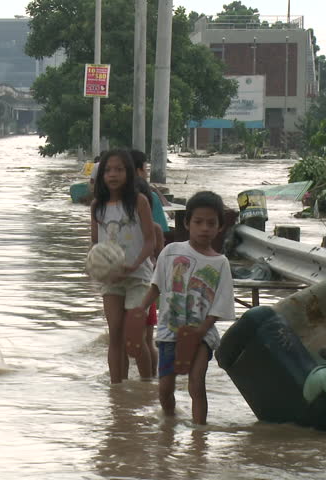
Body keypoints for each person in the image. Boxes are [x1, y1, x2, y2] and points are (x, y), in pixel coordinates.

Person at [136, 191, 235, 425]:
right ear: (186, 223)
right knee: (164, 388)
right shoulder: (171, 252)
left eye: (211, 223)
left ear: (220, 227)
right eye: (198, 222)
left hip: (203, 334)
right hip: (169, 332)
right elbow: (156, 287)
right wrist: (140, 310)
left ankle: (199, 435)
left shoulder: (221, 263)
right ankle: (168, 424)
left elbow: (220, 304)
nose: (204, 228)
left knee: (196, 384)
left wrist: (201, 330)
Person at [90, 149, 155, 383]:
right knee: (115, 334)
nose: (113, 175)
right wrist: (98, 268)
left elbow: (151, 240)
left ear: (129, 172)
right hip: (111, 280)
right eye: (107, 170)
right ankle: (117, 392)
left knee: (134, 340)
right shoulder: (97, 205)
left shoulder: (139, 202)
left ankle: (147, 387)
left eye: (119, 169)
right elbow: (95, 244)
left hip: (139, 277)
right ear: (101, 175)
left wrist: (135, 263)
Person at [135, 177, 165, 377]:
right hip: (135, 285)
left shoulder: (154, 229)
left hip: (147, 287)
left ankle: (150, 379)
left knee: (146, 340)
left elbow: (162, 260)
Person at [130, 150, 170, 233]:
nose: (147, 174)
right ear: (138, 171)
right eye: (145, 169)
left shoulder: (110, 197)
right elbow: (162, 231)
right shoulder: (150, 197)